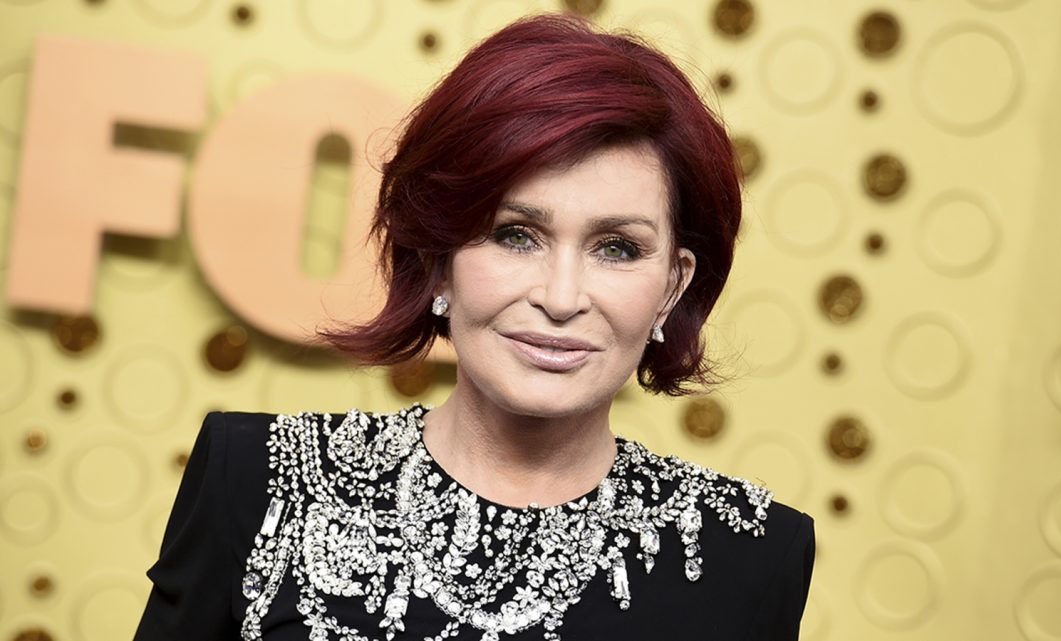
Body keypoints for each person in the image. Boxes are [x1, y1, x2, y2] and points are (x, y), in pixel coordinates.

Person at [134, 12, 814, 641]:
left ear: (672, 286)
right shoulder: (254, 479)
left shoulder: (753, 556)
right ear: (438, 260)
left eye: (616, 248)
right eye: (515, 235)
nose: (561, 297)